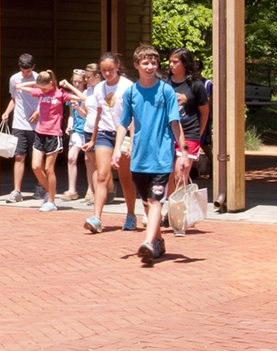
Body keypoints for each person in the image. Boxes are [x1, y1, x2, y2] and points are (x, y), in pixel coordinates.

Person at [119, 48, 189, 265]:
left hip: (161, 157)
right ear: (137, 65)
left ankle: (148, 241)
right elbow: (123, 124)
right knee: (147, 204)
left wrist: (183, 153)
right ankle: (158, 240)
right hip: (140, 157)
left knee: (155, 199)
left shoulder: (166, 91)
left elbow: (175, 124)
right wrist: (116, 151)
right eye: (145, 63)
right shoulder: (130, 93)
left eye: (153, 63)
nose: (150, 67)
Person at [81, 52, 138, 235]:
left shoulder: (128, 86)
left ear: (118, 67)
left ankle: (130, 214)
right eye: (104, 70)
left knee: (125, 177)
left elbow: (133, 117)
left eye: (111, 70)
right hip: (105, 134)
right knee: (102, 175)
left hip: (123, 135)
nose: (107, 73)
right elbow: (98, 114)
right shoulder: (99, 88)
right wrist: (92, 139)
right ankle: (96, 217)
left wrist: (132, 141)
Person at [0, 54, 49, 203]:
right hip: (19, 122)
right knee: (19, 156)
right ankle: (17, 190)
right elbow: (14, 98)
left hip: (37, 124)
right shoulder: (14, 79)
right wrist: (7, 112)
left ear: (33, 67)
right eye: (22, 71)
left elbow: (45, 97)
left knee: (37, 158)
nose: (25, 74)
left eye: (28, 71)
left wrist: (38, 111)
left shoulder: (40, 78)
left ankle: (42, 186)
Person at [24, 66, 67, 211]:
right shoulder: (40, 92)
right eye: (40, 88)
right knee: (36, 166)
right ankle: (49, 191)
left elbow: (82, 97)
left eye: (44, 87)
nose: (42, 90)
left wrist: (68, 86)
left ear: (51, 83)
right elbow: (19, 86)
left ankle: (52, 200)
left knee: (49, 168)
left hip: (54, 133)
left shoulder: (59, 94)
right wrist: (36, 83)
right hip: (40, 132)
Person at [166, 48, 210, 182]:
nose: (171, 65)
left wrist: (198, 133)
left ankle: (179, 203)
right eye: (170, 62)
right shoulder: (164, 83)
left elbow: (204, 112)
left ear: (185, 63)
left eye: (175, 62)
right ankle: (171, 203)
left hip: (190, 134)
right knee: (168, 178)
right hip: (167, 134)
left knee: (180, 176)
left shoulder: (196, 85)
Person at [62, 67, 93, 199]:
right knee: (71, 158)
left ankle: (90, 190)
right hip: (76, 130)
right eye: (74, 81)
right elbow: (71, 114)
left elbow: (85, 109)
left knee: (88, 159)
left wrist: (68, 86)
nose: (77, 84)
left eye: (79, 82)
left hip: (87, 129)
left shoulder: (87, 94)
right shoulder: (71, 97)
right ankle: (72, 190)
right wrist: (69, 124)